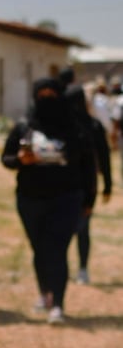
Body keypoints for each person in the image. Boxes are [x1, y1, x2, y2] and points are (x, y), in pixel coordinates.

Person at [1, 77, 97, 324]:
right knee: (39, 249)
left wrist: (90, 199)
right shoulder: (25, 126)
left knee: (57, 249)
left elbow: (89, 166)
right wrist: (21, 160)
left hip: (66, 199)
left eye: (51, 96)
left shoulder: (75, 129)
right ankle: (45, 293)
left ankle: (58, 304)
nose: (46, 101)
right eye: (41, 96)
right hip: (30, 199)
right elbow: (7, 158)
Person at [62, 81, 112, 284]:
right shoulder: (65, 126)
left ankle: (79, 268)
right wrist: (107, 184)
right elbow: (105, 158)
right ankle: (73, 269)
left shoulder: (90, 126)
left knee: (77, 229)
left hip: (81, 188)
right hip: (76, 187)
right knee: (77, 230)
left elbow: (104, 156)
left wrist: (107, 184)